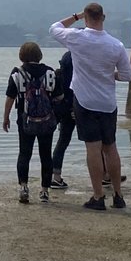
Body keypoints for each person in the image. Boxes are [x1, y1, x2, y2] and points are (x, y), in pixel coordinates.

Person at [49, 3, 131, 211]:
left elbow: (54, 28)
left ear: (86, 18)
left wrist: (75, 16)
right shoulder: (116, 45)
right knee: (110, 148)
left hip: (85, 101)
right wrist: (109, 75)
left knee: (93, 149)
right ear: (103, 17)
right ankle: (118, 195)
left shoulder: (78, 38)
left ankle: (98, 195)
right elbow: (127, 76)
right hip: (107, 102)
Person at [3, 41, 65, 204]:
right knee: (46, 155)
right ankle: (44, 191)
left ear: (22, 55)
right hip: (47, 121)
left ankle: (24, 188)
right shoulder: (50, 73)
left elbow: (10, 97)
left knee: (25, 153)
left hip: (25, 121)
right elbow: (59, 97)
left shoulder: (17, 74)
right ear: (39, 55)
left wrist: (6, 117)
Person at [48, 50, 77, 190]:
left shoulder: (67, 58)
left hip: (64, 105)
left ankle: (56, 176)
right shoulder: (79, 57)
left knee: (63, 141)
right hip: (78, 104)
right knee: (97, 141)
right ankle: (106, 174)